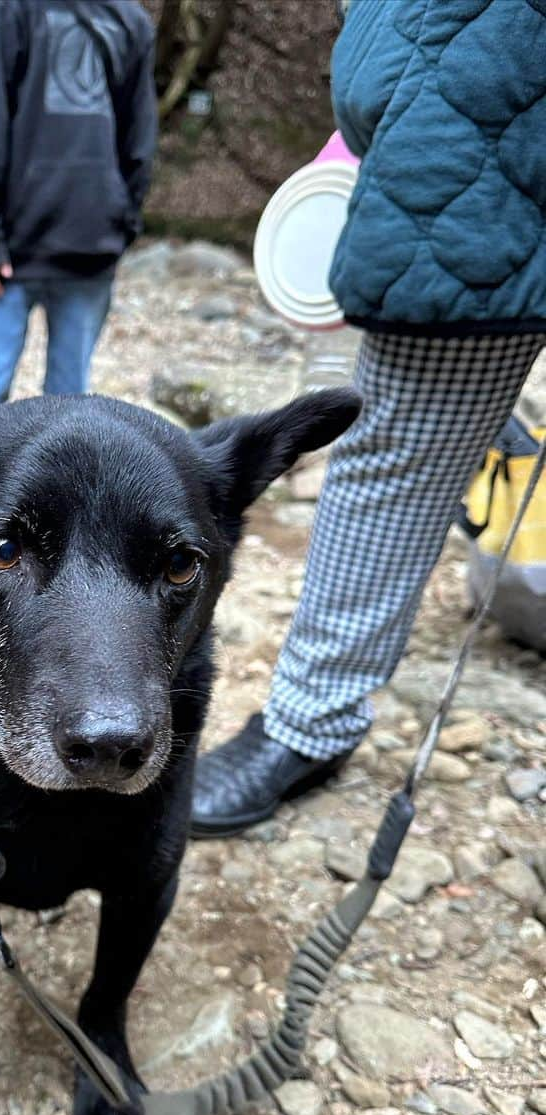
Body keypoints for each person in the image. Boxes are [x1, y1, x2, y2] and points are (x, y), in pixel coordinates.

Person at [191, 0, 546, 837]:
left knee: (384, 462)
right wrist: (351, 152)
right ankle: (313, 721)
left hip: (470, 149)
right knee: (396, 450)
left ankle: (311, 720)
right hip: (447, 151)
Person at [0, 0, 157, 424]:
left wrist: (121, 226)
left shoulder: (130, 20)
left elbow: (138, 138)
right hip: (14, 248)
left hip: (87, 249)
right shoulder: (16, 8)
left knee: (63, 412)